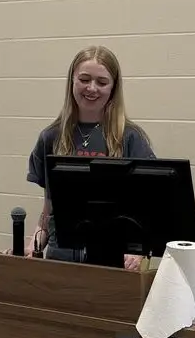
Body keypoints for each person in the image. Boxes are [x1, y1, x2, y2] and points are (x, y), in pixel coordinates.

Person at [26, 45, 154, 267]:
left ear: (113, 88)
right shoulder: (51, 137)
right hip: (60, 259)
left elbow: (150, 205)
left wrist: (138, 250)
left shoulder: (130, 138)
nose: (92, 88)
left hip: (114, 262)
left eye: (102, 82)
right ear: (72, 82)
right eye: (84, 79)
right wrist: (33, 246)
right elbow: (49, 208)